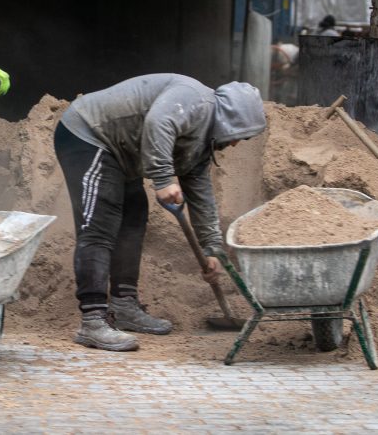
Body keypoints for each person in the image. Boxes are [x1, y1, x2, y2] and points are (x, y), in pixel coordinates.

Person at [53, 73, 266, 351]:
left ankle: (124, 304)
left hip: (121, 152)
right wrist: (164, 178)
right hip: (88, 134)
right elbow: (159, 121)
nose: (237, 144)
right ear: (232, 119)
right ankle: (92, 321)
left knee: (134, 215)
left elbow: (200, 193)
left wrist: (211, 248)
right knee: (99, 225)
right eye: (241, 135)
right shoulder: (195, 99)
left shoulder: (203, 141)